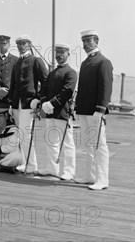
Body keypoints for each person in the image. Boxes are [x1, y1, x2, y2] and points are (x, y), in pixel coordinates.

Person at [74, 30, 113, 191]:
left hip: (95, 111)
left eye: (89, 41)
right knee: (88, 145)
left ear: (96, 41)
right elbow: (82, 88)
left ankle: (102, 179)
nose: (85, 45)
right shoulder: (85, 63)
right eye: (83, 41)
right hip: (84, 110)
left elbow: (106, 88)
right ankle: (89, 175)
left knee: (99, 145)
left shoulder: (103, 62)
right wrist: (77, 107)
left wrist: (100, 110)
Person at [8, 35, 49, 174]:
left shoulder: (36, 61)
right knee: (21, 135)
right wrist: (11, 103)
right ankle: (25, 163)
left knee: (26, 135)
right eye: (18, 44)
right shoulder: (17, 63)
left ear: (29, 44)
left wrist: (38, 99)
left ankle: (32, 166)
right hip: (17, 104)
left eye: (24, 44)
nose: (21, 46)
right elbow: (13, 85)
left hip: (28, 103)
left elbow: (46, 82)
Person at [39, 43, 77, 180]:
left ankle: (69, 171)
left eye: (62, 53)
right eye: (57, 53)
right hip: (50, 112)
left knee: (67, 143)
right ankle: (52, 168)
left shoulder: (71, 72)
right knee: (51, 141)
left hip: (63, 112)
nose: (59, 56)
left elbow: (67, 91)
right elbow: (43, 89)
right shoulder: (52, 73)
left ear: (68, 54)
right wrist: (44, 102)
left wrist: (51, 103)